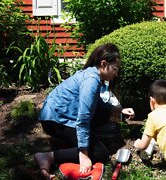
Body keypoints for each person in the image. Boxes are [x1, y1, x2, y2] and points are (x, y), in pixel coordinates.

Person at [35, 43, 135, 179]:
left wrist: (119, 110)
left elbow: (96, 103)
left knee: (103, 120)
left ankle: (65, 143)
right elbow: (83, 118)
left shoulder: (93, 74)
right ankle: (48, 156)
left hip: (58, 115)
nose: (116, 74)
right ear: (104, 63)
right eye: (115, 69)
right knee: (101, 152)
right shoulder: (91, 81)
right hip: (56, 121)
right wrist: (83, 153)